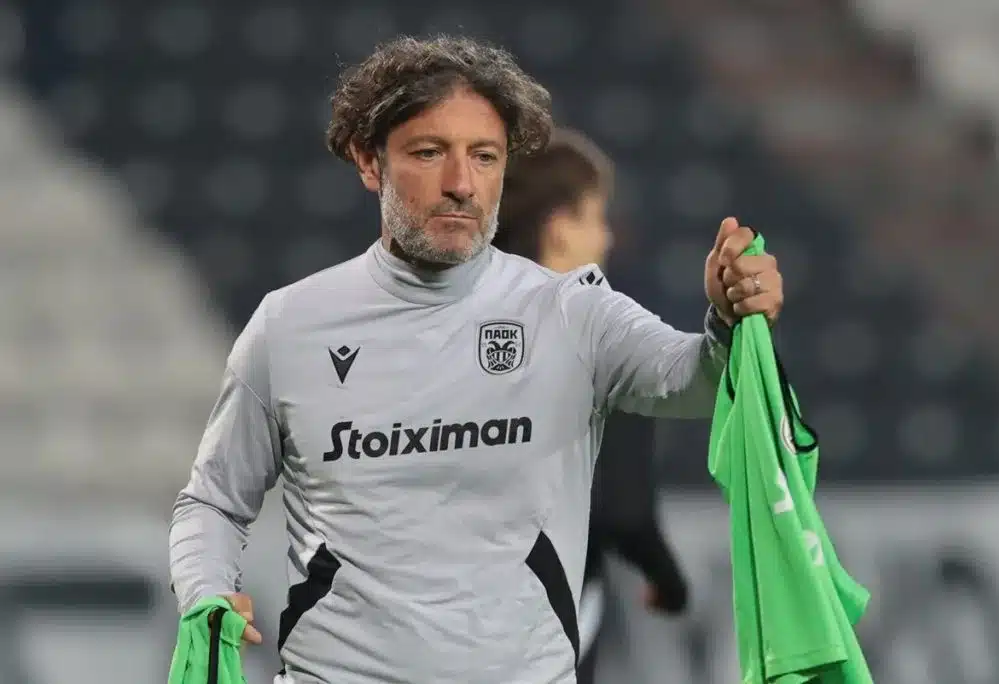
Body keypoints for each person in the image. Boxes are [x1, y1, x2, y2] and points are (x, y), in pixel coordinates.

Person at [168, 35, 784, 684]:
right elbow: (212, 502)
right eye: (429, 153)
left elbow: (698, 381)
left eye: (484, 157)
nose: (461, 184)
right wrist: (206, 591)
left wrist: (730, 322)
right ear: (369, 161)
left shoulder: (571, 312)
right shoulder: (290, 326)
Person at [492, 128, 689, 684]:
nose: (606, 238)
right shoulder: (603, 340)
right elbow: (623, 508)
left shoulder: (445, 330)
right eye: (596, 218)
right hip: (550, 615)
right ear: (559, 228)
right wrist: (665, 576)